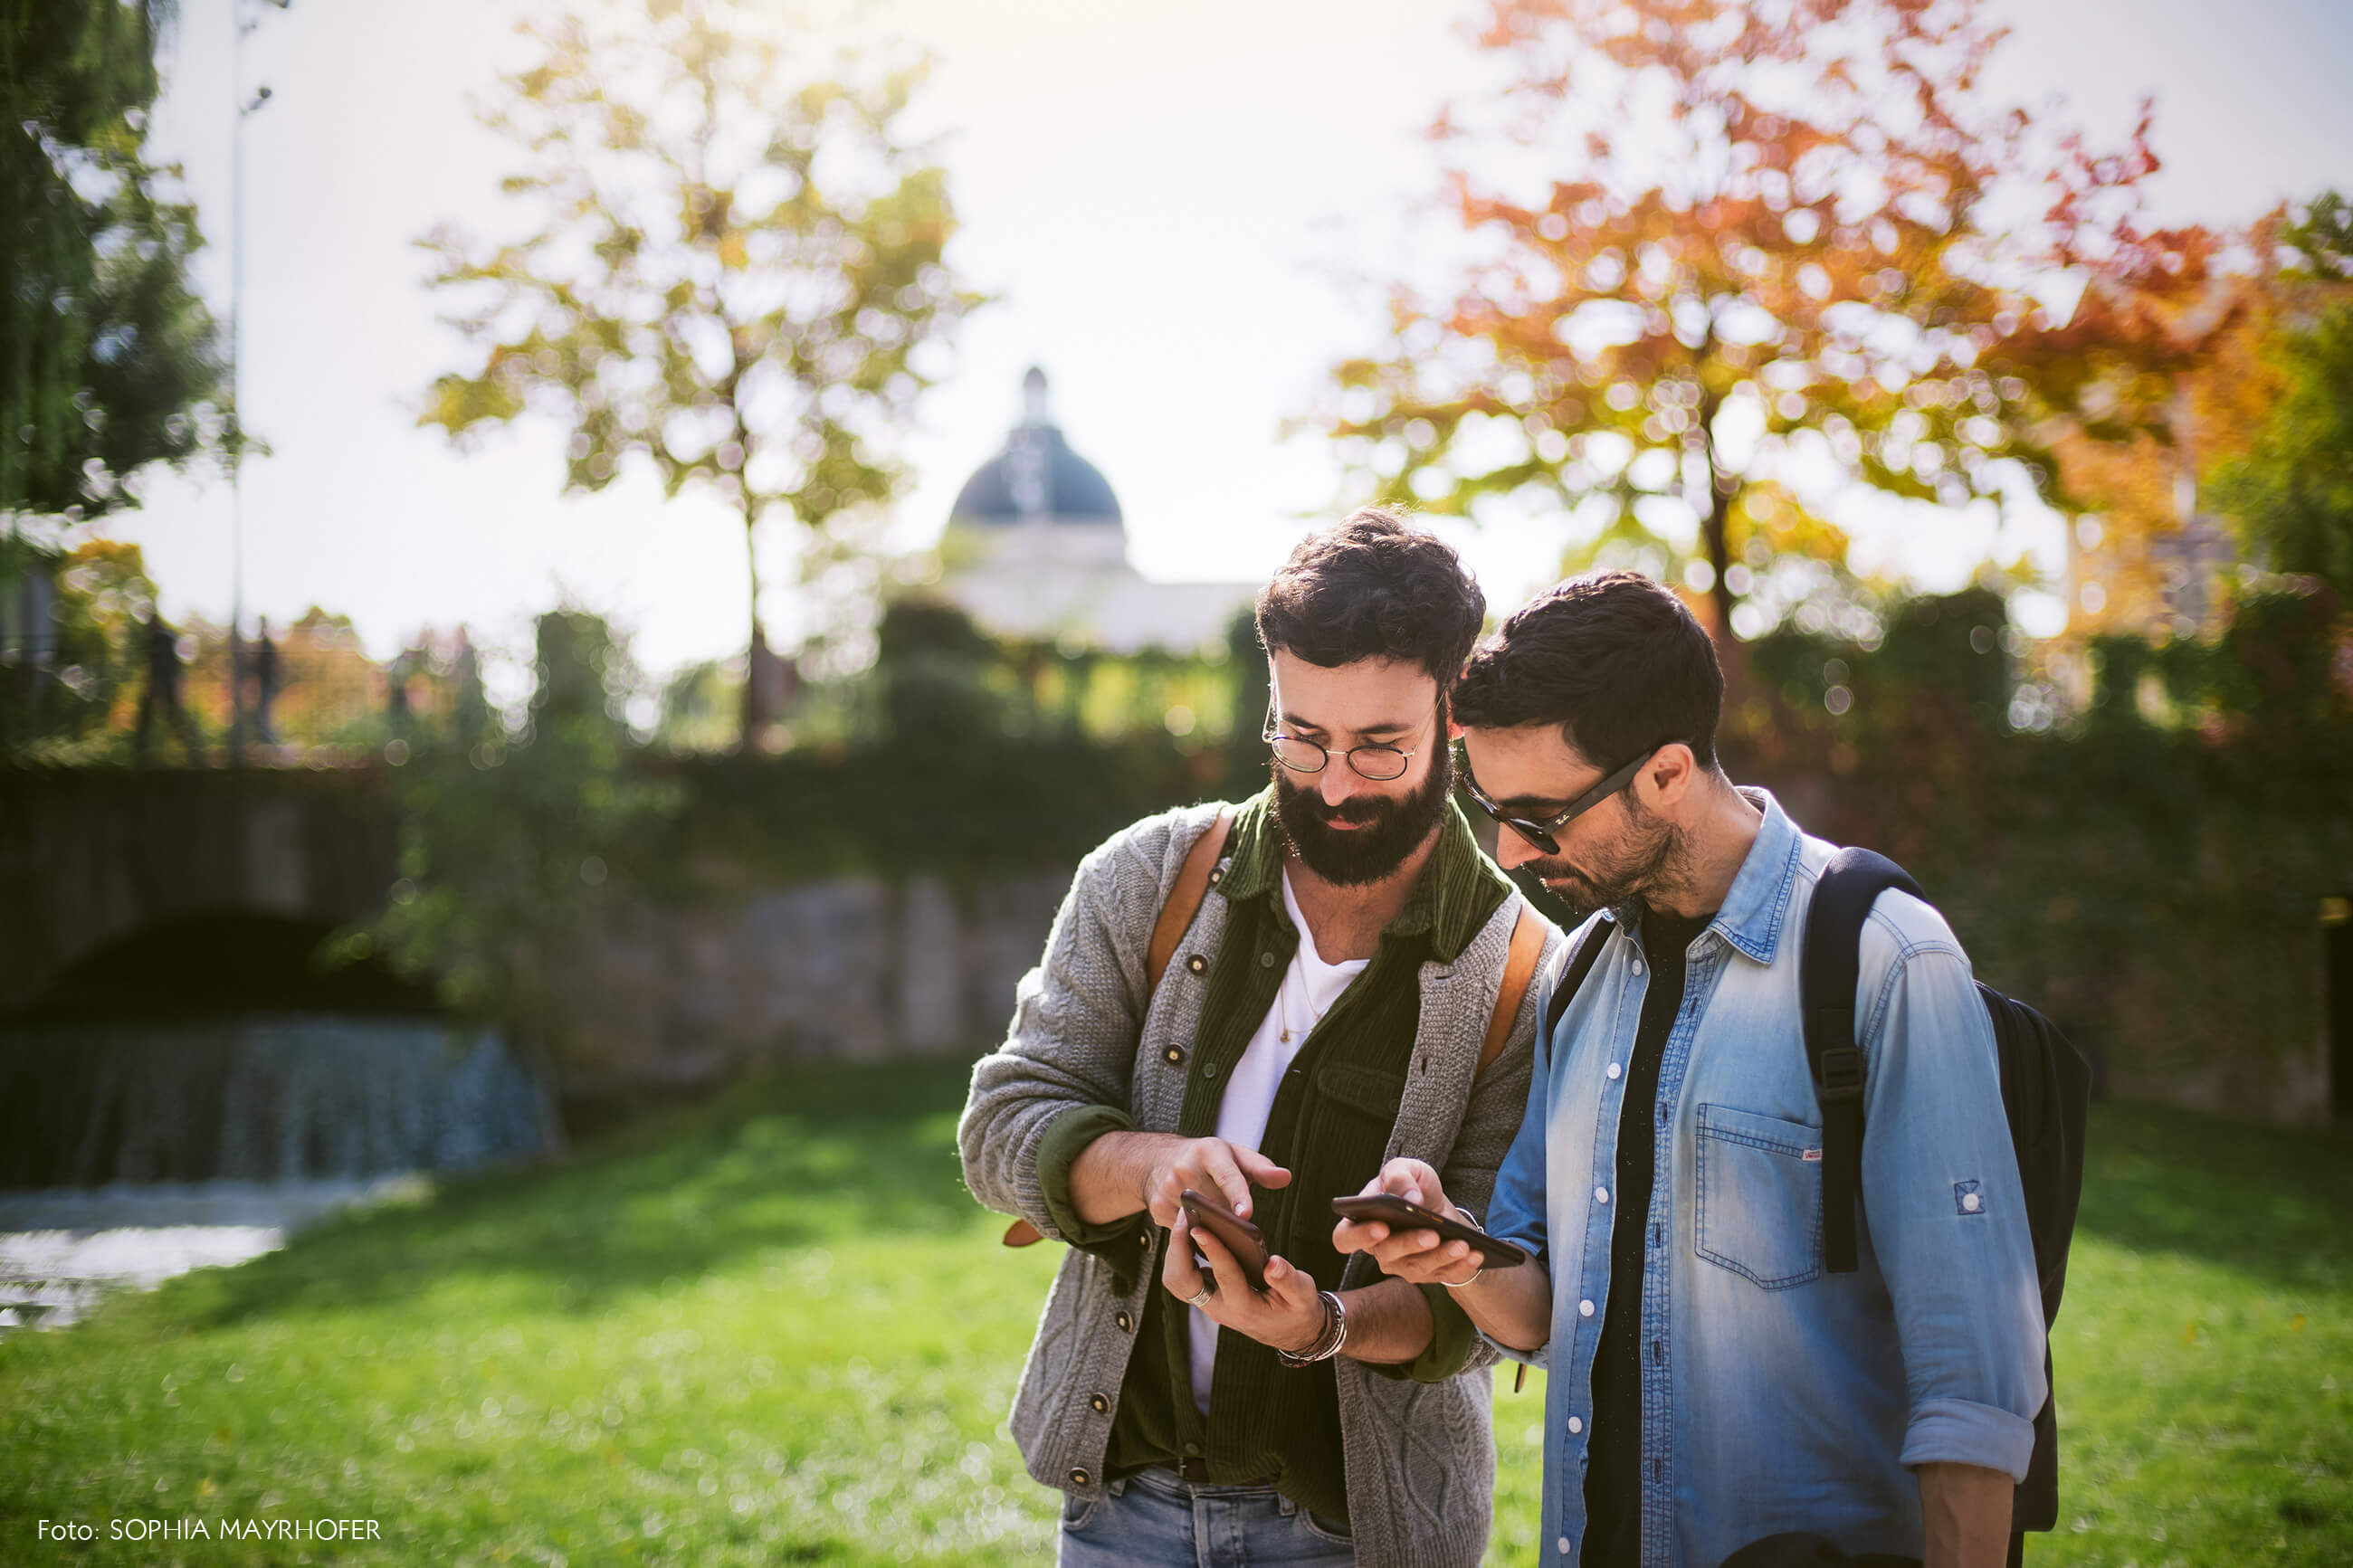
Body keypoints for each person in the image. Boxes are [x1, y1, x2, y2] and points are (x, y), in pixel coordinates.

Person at [1337, 572, 2045, 1568]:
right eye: (1488, 807)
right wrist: (1455, 1252)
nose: (1506, 850)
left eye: (1538, 816)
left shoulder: (1883, 959)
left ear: (1666, 772)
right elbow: (1544, 1313)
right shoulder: (1578, 972)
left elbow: (1974, 1385)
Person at [959, 509, 1565, 1568]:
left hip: (1356, 1537)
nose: (1332, 783)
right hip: (1121, 1513)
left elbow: (1483, 1310)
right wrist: (1150, 1164)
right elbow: (1002, 1128)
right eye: (1301, 734)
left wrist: (1321, 1326)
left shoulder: (1524, 969)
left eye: (1380, 748)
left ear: (1452, 714)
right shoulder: (1143, 877)